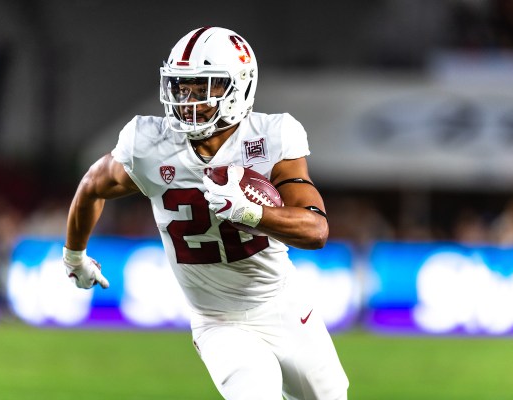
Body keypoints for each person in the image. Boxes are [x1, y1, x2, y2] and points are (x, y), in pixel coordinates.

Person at [63, 26, 349, 400]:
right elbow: (92, 186)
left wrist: (251, 213)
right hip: (218, 322)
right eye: (182, 87)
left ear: (239, 87)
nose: (188, 99)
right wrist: (74, 256)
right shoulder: (149, 144)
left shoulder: (272, 136)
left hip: (281, 305)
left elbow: (316, 231)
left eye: (204, 87)